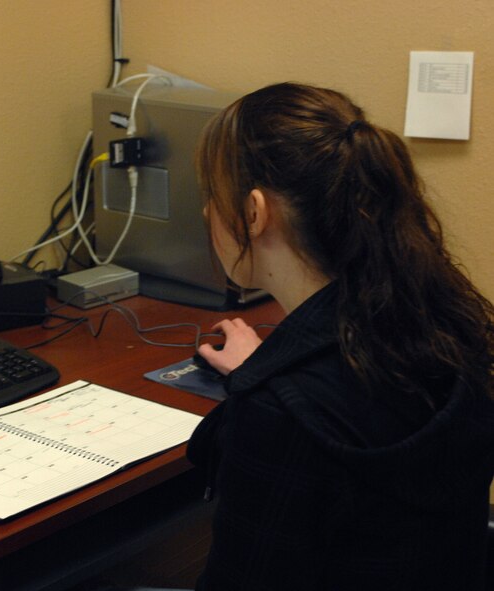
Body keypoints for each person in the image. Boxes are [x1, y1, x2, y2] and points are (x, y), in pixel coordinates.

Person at [185, 82, 494, 590]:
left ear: (255, 213)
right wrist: (271, 369)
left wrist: (272, 387)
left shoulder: (281, 413)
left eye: (210, 195)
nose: (204, 213)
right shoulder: (437, 327)